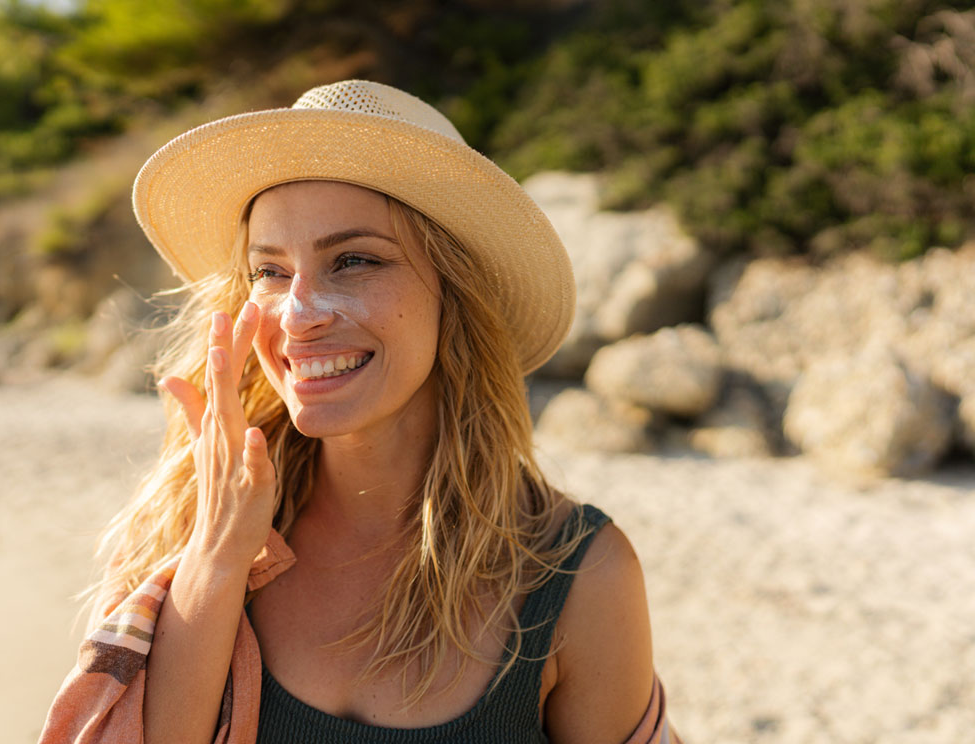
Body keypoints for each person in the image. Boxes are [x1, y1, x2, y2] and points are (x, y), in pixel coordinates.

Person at [39, 79, 678, 744]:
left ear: (453, 294)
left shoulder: (576, 572)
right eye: (271, 271)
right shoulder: (182, 528)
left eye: (355, 260)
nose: (300, 315)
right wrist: (218, 557)